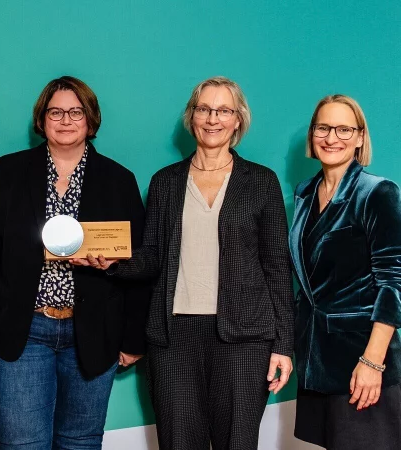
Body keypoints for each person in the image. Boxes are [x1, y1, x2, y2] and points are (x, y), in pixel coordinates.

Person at [78, 76, 295, 450]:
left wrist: (284, 345)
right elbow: (151, 257)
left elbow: (277, 266)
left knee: (237, 443)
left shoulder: (261, 182)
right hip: (173, 338)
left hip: (244, 338)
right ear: (191, 117)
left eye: (223, 110)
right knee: (179, 442)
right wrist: (112, 263)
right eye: (204, 109)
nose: (213, 118)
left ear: (238, 119)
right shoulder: (166, 182)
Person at [0, 76, 150, 449]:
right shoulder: (8, 172)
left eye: (76, 111)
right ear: (41, 120)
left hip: (92, 331)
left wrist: (132, 337)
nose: (66, 120)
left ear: (90, 119)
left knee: (81, 443)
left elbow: (141, 264)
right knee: (21, 444)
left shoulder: (119, 180)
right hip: (24, 332)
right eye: (55, 111)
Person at [289, 94, 401, 449]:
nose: (331, 137)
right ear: (312, 134)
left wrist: (372, 362)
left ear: (359, 137)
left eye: (343, 129)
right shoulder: (305, 192)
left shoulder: (377, 192)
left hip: (360, 360)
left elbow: (393, 283)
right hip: (313, 357)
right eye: (323, 127)